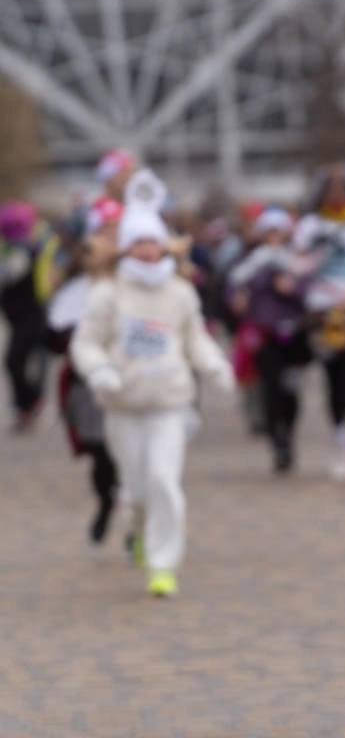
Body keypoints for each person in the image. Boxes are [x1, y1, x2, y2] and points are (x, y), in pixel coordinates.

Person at [71, 183, 234, 597]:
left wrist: (214, 364)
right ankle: (141, 530)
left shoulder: (179, 292)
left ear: (166, 247)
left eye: (153, 242)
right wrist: (99, 369)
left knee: (164, 480)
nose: (147, 250)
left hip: (169, 402)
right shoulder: (108, 293)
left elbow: (195, 338)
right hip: (123, 404)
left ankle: (163, 565)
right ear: (125, 248)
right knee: (137, 488)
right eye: (138, 243)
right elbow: (85, 342)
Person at [293, 162, 345, 479]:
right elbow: (298, 267)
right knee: (337, 383)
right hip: (325, 313)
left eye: (344, 188)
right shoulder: (309, 227)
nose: (338, 194)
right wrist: (317, 255)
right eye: (332, 189)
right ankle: (343, 448)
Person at [44, 200, 123, 546]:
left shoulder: (147, 272)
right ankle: (106, 501)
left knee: (138, 450)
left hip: (137, 378)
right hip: (88, 379)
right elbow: (55, 336)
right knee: (101, 451)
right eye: (105, 233)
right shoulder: (76, 285)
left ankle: (138, 518)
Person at [227, 207, 310, 473]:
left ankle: (289, 432)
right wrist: (237, 301)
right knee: (271, 389)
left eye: (279, 232)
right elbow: (233, 290)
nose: (274, 237)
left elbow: (310, 293)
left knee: (292, 392)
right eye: (269, 232)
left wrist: (293, 289)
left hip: (294, 335)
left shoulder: (296, 261)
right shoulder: (251, 263)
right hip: (265, 335)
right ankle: (278, 440)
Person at [0, 201, 57, 431]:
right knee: (18, 362)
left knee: (16, 361)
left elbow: (7, 276)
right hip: (20, 316)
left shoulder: (24, 251)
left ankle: (31, 402)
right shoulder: (16, 249)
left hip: (32, 314)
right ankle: (28, 404)